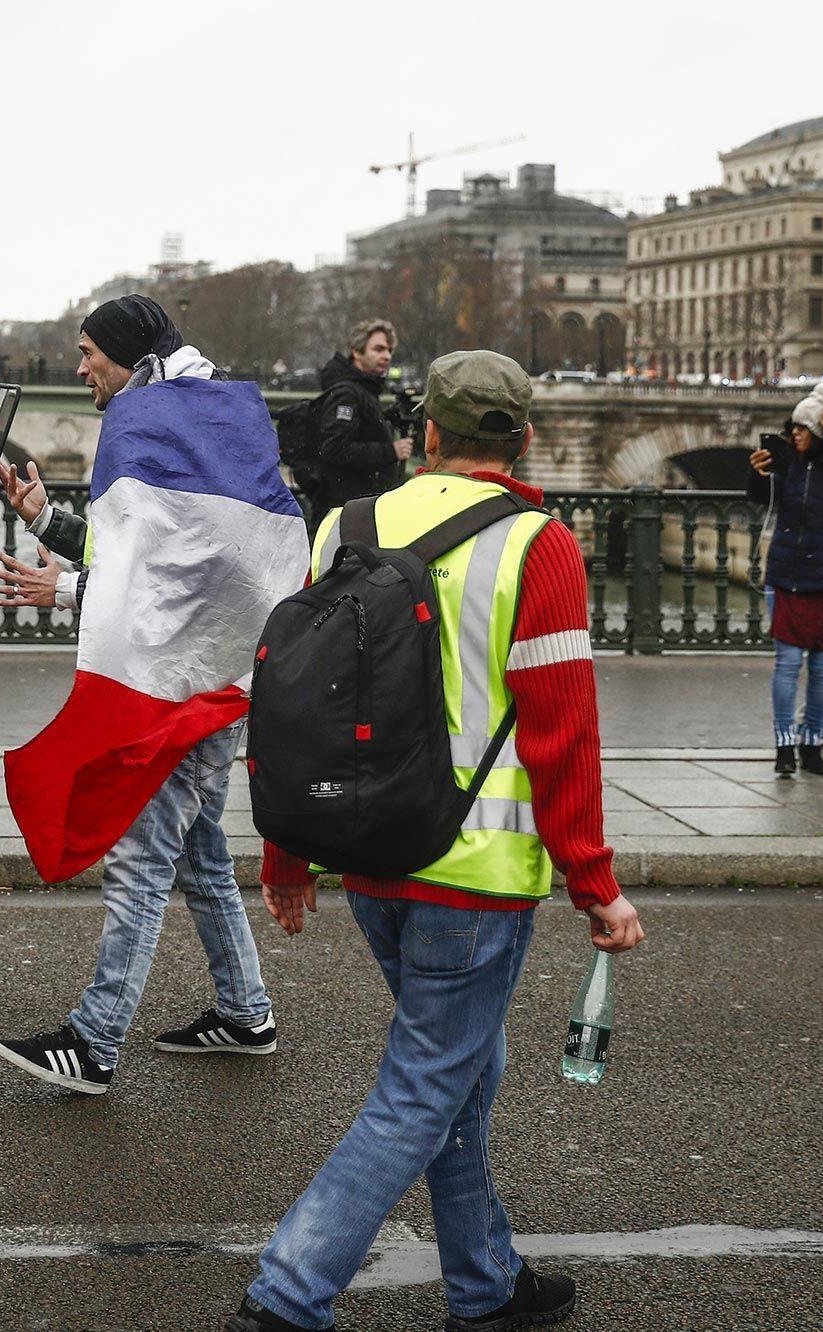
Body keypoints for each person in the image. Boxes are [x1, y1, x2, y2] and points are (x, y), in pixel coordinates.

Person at [228, 350, 644, 1332]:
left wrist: (289, 847)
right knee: (423, 1086)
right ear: (522, 440)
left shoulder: (345, 524)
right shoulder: (536, 546)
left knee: (461, 1066)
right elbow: (560, 735)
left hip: (368, 849)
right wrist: (595, 884)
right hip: (475, 873)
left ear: (423, 435)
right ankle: (288, 1294)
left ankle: (485, 1283)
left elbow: (292, 693)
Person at [0, 294, 300, 1093]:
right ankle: (246, 1010)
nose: (81, 366)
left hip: (192, 682)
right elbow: (159, 555)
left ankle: (93, 1042)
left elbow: (171, 579)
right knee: (199, 857)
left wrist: (64, 593)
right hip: (218, 672)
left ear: (128, 357)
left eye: (90, 351)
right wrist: (47, 520)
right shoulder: (199, 422)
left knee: (142, 856)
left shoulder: (149, 423)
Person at [748, 381, 823, 776]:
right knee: (786, 663)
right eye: (793, 429)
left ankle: (812, 742)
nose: (794, 435)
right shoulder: (789, 463)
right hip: (785, 574)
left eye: (802, 429)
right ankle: (785, 746)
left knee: (821, 667)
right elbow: (764, 500)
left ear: (818, 432)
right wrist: (758, 475)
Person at [296, 318, 414, 532]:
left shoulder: (364, 391)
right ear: (357, 352)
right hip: (343, 513)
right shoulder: (347, 393)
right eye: (378, 349)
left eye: (389, 350)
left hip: (353, 510)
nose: (386, 356)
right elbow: (335, 448)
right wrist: (390, 451)